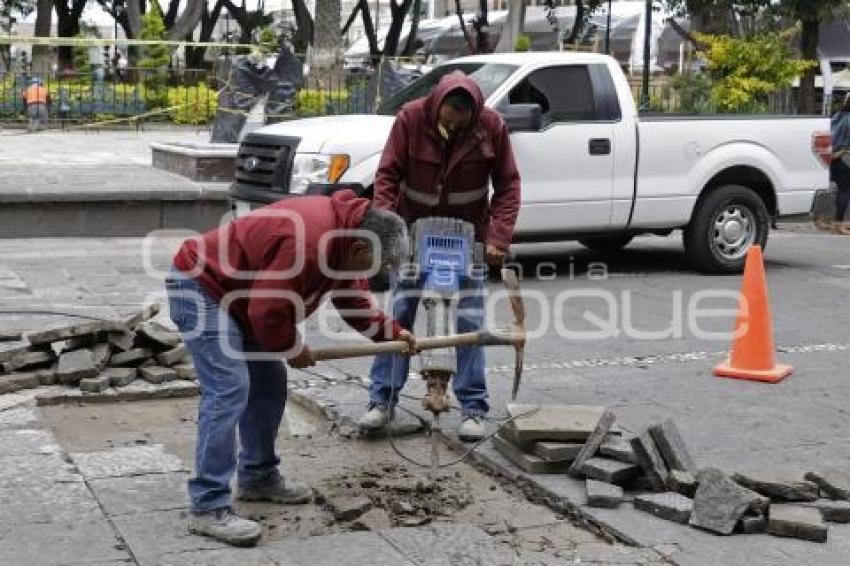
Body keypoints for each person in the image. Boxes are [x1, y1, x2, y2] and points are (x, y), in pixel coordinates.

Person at [166, 190, 415, 546]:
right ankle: (207, 506)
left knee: (268, 385)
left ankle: (258, 476)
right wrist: (291, 346)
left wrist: (392, 332)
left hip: (241, 297)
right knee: (229, 388)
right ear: (361, 248)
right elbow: (267, 311)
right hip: (201, 286)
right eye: (374, 268)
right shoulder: (310, 243)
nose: (371, 276)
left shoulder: (345, 241)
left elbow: (352, 298)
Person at [358, 70, 521, 442]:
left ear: (473, 115)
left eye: (459, 123)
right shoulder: (410, 119)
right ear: (437, 108)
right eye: (446, 120)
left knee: (470, 322)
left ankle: (474, 408)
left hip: (467, 235)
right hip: (413, 232)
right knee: (399, 315)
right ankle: (381, 401)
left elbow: (509, 184)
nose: (451, 127)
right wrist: (390, 230)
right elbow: (386, 177)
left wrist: (498, 238)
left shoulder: (491, 127)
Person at [831, 93, 850, 235]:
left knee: (841, 191)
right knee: (845, 191)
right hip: (845, 158)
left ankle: (837, 222)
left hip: (834, 158)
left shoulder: (837, 116)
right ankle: (839, 224)